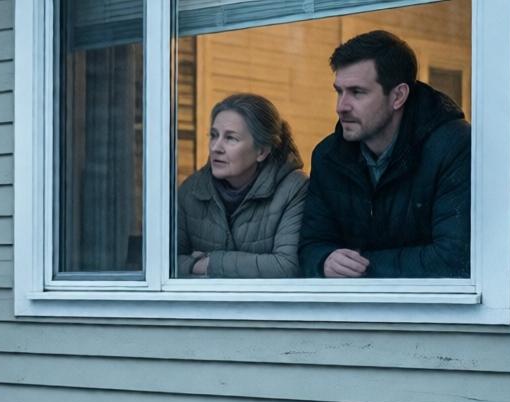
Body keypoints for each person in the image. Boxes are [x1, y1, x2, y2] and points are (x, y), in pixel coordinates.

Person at [298, 30, 471, 278]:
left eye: (357, 92)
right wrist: (324, 261)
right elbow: (310, 246)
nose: (341, 107)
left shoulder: (453, 146)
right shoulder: (328, 156)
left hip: (434, 313)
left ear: (398, 96)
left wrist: (362, 264)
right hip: (350, 314)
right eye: (339, 91)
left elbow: (453, 258)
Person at [177, 93, 307, 278]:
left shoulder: (293, 189)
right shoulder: (192, 190)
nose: (216, 147)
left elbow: (286, 266)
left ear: (261, 151)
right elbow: (164, 262)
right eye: (214, 136)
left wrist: (210, 263)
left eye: (231, 138)